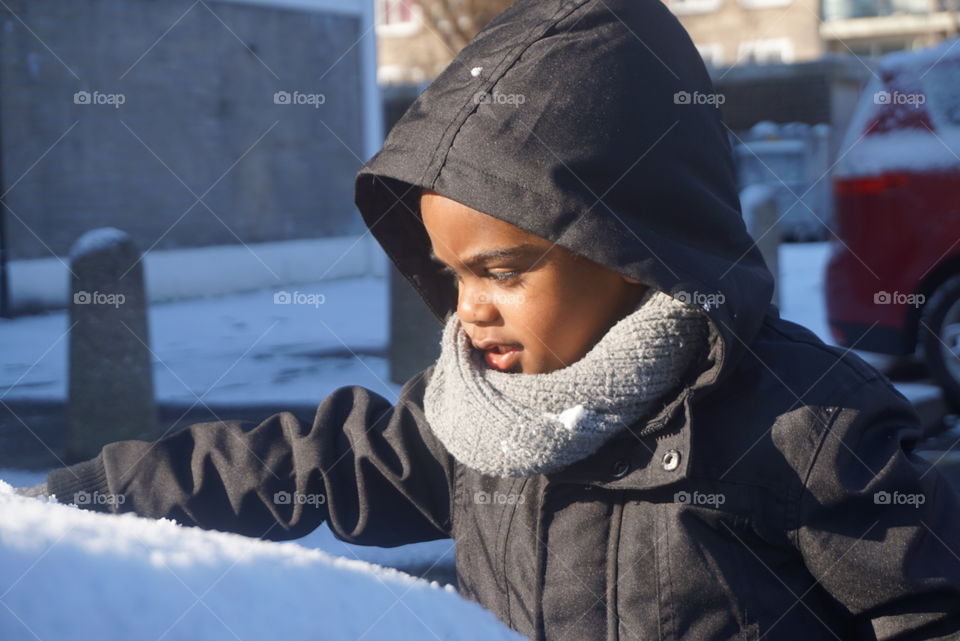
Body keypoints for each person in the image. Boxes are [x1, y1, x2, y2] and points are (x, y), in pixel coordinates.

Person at [17, 0, 960, 638]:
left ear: (641, 247)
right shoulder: (467, 424)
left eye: (504, 270)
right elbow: (291, 466)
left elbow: (929, 601)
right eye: (452, 272)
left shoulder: (806, 427)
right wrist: (71, 505)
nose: (469, 307)